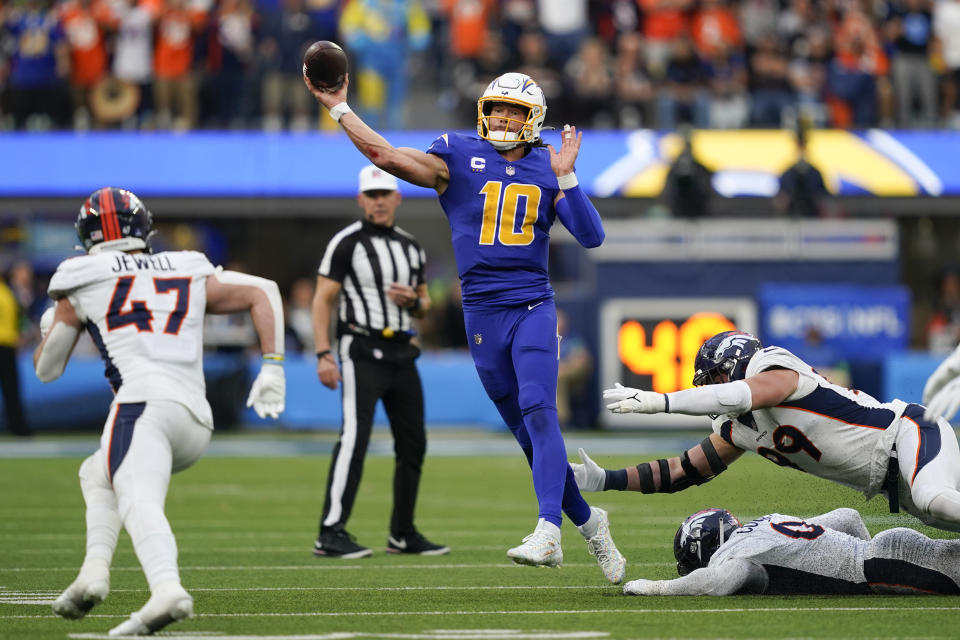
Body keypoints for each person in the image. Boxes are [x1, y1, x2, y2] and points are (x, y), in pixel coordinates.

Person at [304, 69, 626, 583]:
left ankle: (548, 529)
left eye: (514, 111)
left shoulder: (548, 165)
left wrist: (567, 178)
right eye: (496, 107)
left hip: (530, 306)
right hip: (480, 314)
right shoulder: (457, 153)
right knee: (528, 435)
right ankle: (590, 524)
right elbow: (387, 157)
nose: (502, 116)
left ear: (532, 119)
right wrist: (340, 109)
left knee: (540, 409)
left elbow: (592, 237)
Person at [38, 187, 286, 636]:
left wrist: (56, 325)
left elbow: (47, 370)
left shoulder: (80, 274)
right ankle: (94, 571)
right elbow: (263, 290)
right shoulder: (184, 264)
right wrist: (273, 366)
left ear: (86, 235)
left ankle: (167, 588)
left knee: (137, 496)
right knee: (96, 473)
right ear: (143, 228)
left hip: (142, 406)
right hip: (195, 417)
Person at [573, 330, 960, 533]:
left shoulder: (772, 366)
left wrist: (662, 402)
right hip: (894, 479)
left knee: (936, 502)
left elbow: (741, 394)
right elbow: (681, 471)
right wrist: (606, 479)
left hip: (909, 433)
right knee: (939, 517)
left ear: (737, 360)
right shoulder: (737, 429)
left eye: (715, 377)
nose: (712, 387)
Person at [311, 164, 448, 559]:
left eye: (385, 194)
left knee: (414, 443)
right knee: (355, 439)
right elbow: (323, 299)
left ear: (397, 197)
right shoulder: (347, 242)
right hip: (361, 349)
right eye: (372, 195)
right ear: (361, 200)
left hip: (402, 351)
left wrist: (415, 302)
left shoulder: (410, 246)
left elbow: (425, 305)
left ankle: (402, 533)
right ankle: (330, 531)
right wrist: (324, 353)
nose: (379, 201)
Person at [622, 507, 960, 596]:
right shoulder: (765, 524)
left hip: (888, 566)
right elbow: (848, 517)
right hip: (887, 550)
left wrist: (659, 587)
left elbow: (731, 577)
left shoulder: (737, 553)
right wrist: (858, 558)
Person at [0, 271, 29, 436]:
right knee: (11, 389)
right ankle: (18, 427)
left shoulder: (7, 292)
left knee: (12, 389)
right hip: (6, 344)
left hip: (7, 345)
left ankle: (17, 426)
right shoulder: (7, 292)